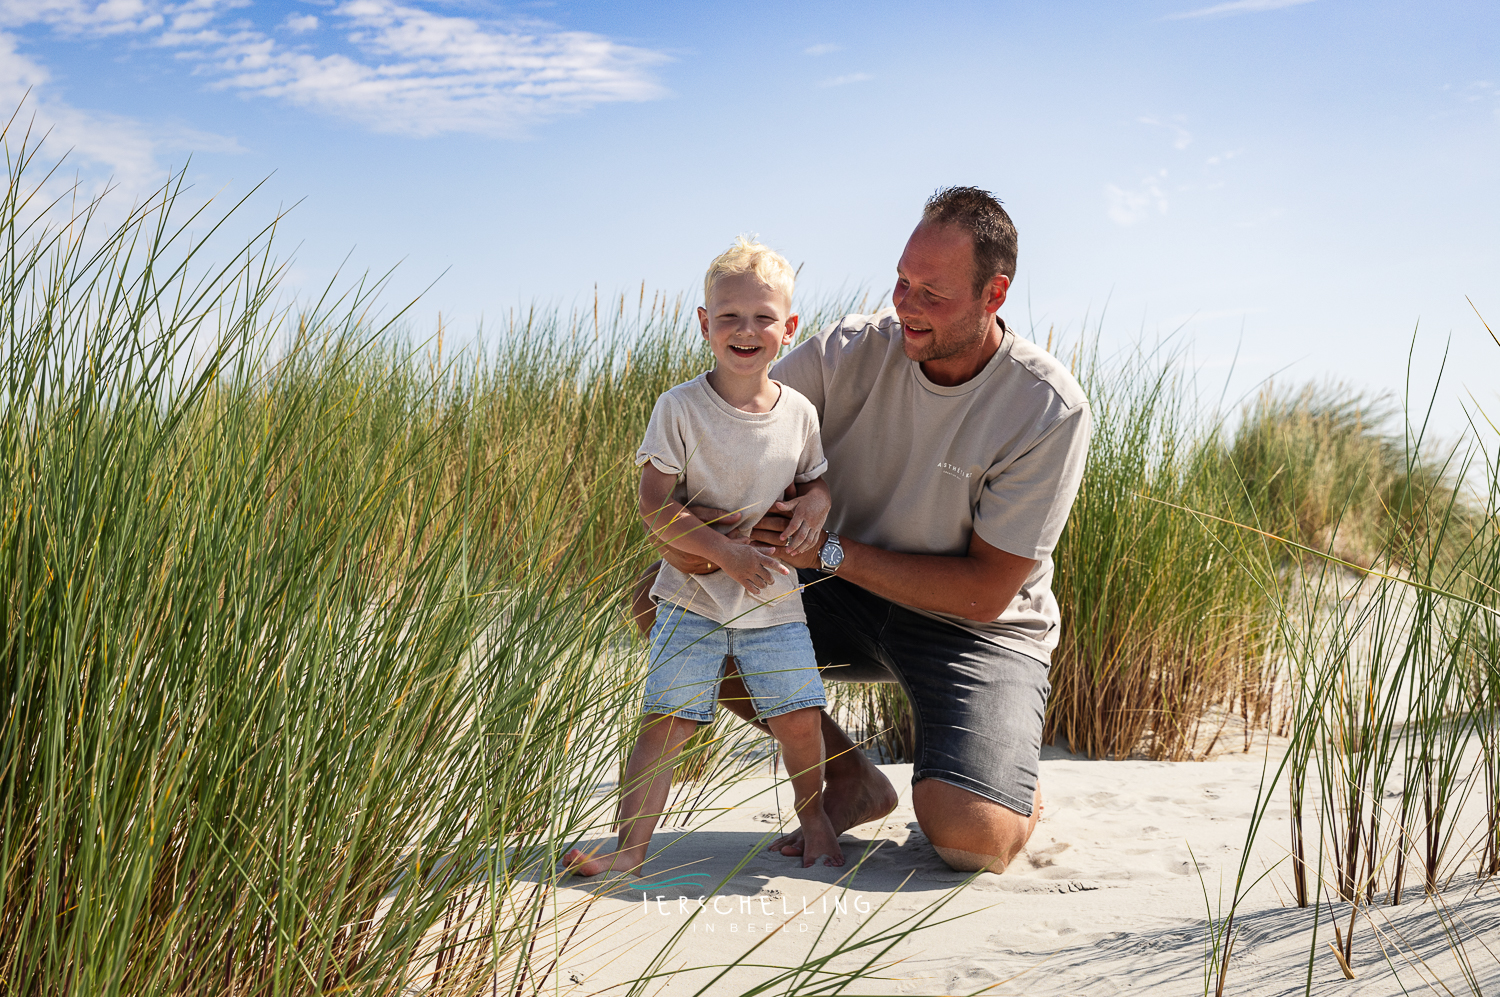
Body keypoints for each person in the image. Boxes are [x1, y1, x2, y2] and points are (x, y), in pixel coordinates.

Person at [639, 188, 1091, 874]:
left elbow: (984, 593)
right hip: (832, 592)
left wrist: (829, 547)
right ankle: (849, 775)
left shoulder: (1045, 407)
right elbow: (712, 459)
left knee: (972, 839)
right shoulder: (844, 352)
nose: (905, 304)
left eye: (931, 293)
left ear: (992, 294)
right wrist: (734, 527)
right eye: (902, 281)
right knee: (662, 597)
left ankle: (1009, 786)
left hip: (973, 628)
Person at [563, 237, 846, 877]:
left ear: (789, 327)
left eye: (763, 317)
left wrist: (816, 509)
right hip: (691, 597)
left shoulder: (799, 413)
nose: (746, 331)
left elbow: (816, 482)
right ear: (704, 325)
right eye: (729, 318)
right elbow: (654, 504)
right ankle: (632, 846)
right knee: (669, 721)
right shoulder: (681, 408)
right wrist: (723, 553)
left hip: (774, 598)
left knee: (800, 719)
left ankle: (816, 819)